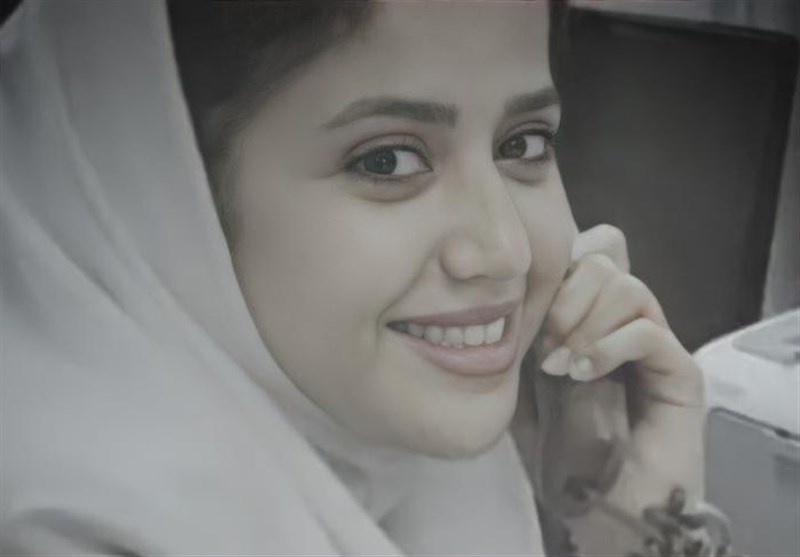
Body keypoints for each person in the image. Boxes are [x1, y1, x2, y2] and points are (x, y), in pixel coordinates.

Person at [0, 1, 708, 555]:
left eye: (522, 143)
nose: (507, 250)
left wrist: (621, 513)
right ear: (166, 193)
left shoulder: (407, 450)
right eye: (387, 161)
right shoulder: (73, 530)